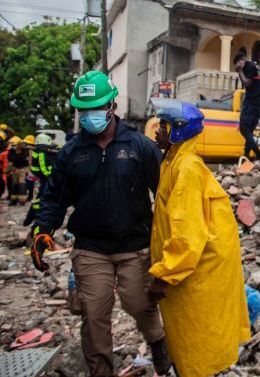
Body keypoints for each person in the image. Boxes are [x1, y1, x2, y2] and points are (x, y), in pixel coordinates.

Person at [30, 70, 171, 376]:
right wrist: (43, 230)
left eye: (96, 109)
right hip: (91, 248)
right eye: (85, 110)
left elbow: (167, 193)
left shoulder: (139, 146)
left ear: (112, 106)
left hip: (135, 245)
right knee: (94, 315)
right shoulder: (71, 153)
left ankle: (158, 340)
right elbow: (53, 197)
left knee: (139, 304)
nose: (90, 116)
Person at [148, 99, 250, 376]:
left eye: (162, 126)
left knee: (197, 343)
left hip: (194, 272)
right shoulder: (175, 162)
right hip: (193, 269)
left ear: (177, 130)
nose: (156, 131)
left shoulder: (187, 169)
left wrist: (164, 274)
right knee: (195, 340)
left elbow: (187, 232)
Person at [235, 52, 260, 159]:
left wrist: (240, 71)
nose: (236, 67)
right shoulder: (255, 66)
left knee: (243, 128)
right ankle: (246, 155)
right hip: (259, 103)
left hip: (252, 102)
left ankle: (258, 153)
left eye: (237, 64)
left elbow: (247, 84)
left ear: (241, 61)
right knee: (249, 130)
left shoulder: (249, 67)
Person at [23, 133, 57, 226]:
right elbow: (44, 169)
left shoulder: (37, 151)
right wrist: (52, 174)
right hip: (43, 179)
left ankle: (31, 217)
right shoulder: (42, 154)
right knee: (41, 198)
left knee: (39, 198)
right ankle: (33, 216)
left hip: (38, 178)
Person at [7, 137, 30, 205]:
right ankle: (13, 200)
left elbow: (22, 157)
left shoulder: (25, 150)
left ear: (19, 144)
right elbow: (10, 158)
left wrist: (15, 158)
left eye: (14, 145)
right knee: (14, 184)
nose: (13, 146)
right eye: (12, 145)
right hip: (14, 169)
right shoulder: (11, 150)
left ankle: (22, 200)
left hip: (22, 169)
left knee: (22, 184)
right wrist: (17, 158)